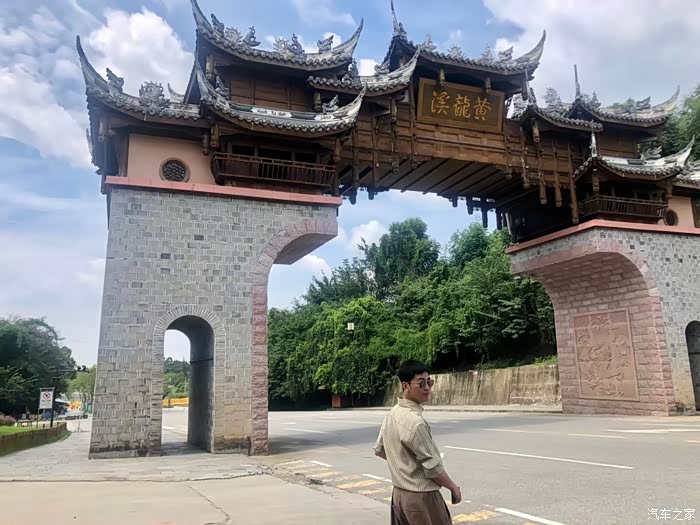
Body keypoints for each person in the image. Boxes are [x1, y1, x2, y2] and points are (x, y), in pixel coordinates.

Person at [374, 360, 461, 525]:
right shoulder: (416, 423)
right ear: (405, 386)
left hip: (399, 495)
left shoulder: (392, 414)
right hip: (422, 498)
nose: (427, 388)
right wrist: (453, 488)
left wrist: (403, 466)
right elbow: (433, 468)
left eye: (429, 382)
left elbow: (380, 449)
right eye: (421, 383)